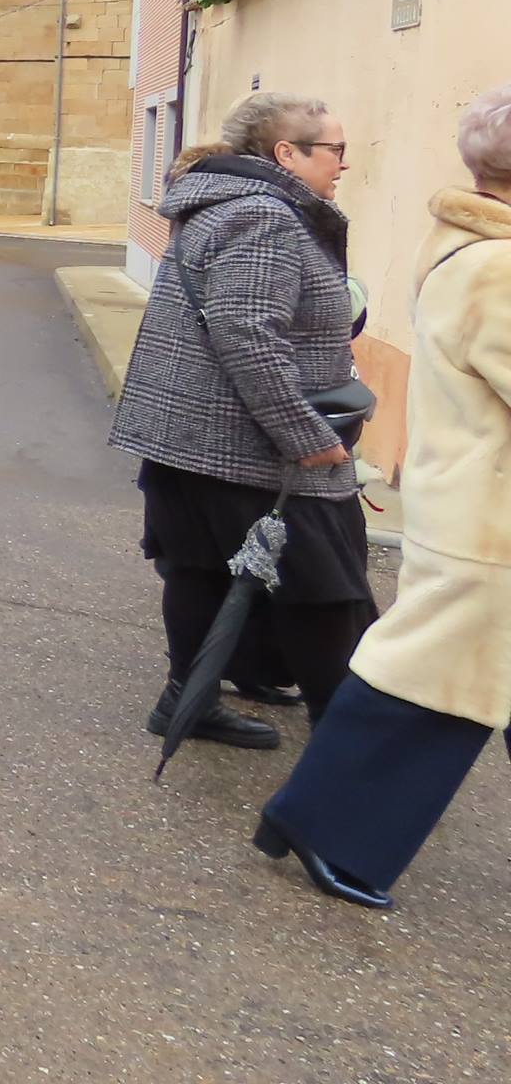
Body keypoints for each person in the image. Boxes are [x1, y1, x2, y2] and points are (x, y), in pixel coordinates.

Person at [255, 86, 511, 911]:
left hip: (475, 503)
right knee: (428, 683)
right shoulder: (499, 266)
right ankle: (321, 822)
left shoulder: (472, 243)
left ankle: (320, 820)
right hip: (490, 522)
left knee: (446, 677)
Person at [110, 91, 370, 744]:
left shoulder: (228, 204)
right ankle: (349, 752)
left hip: (191, 434)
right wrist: (310, 440)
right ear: (287, 152)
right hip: (239, 443)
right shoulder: (267, 216)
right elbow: (247, 333)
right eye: (335, 150)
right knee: (323, 590)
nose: (343, 164)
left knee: (198, 569)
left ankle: (186, 701)